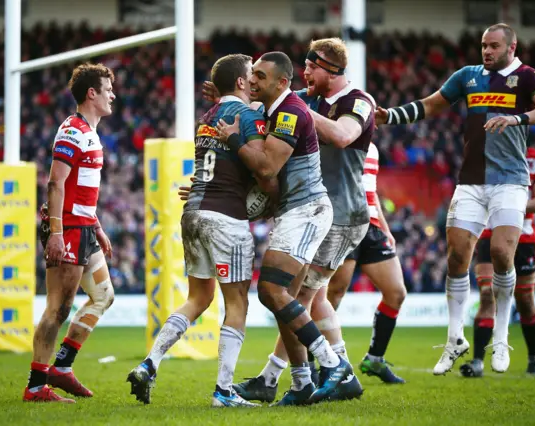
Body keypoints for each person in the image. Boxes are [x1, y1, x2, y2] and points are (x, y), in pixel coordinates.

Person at [374, 23, 535, 375]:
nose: (486, 51)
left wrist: (518, 118)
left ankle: (501, 337)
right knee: (457, 256)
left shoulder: (527, 77)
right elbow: (431, 105)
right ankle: (454, 338)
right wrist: (393, 116)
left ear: (511, 46)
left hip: (510, 181)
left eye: (493, 46)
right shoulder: (468, 76)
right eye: (483, 46)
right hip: (471, 182)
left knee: (503, 253)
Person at [126, 54, 274, 407]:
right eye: (250, 76)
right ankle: (224, 392)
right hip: (226, 217)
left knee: (199, 297)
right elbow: (262, 166)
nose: (254, 81)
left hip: (193, 212)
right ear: (240, 82)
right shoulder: (247, 116)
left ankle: (150, 362)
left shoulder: (206, 117)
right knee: (236, 303)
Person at [232, 38, 375, 405]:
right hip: (307, 209)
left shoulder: (356, 101)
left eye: (311, 67)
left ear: (332, 69)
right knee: (297, 298)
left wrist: (291, 105)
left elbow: (343, 136)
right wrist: (235, 92)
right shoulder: (302, 103)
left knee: (293, 297)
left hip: (341, 212)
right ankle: (315, 375)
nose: (305, 72)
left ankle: (312, 372)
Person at [23, 63, 116, 403]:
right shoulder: (73, 131)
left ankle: (61, 369)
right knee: (58, 309)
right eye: (107, 90)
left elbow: (82, 189)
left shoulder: (90, 132)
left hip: (83, 226)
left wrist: (98, 227)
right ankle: (35, 387)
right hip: (68, 229)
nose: (113, 95)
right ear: (91, 93)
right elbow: (55, 183)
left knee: (104, 295)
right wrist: (57, 233)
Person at [460, 147, 535, 377]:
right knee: (486, 293)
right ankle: (478, 362)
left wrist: (510, 207)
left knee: (524, 299)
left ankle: (534, 358)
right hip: (490, 234)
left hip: (523, 237)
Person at [328, 141, 407, 384]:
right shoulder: (337, 140)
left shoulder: (372, 148)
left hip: (371, 228)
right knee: (332, 296)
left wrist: (385, 228)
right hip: (343, 222)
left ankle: (375, 359)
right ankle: (322, 363)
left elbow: (369, 193)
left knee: (396, 293)